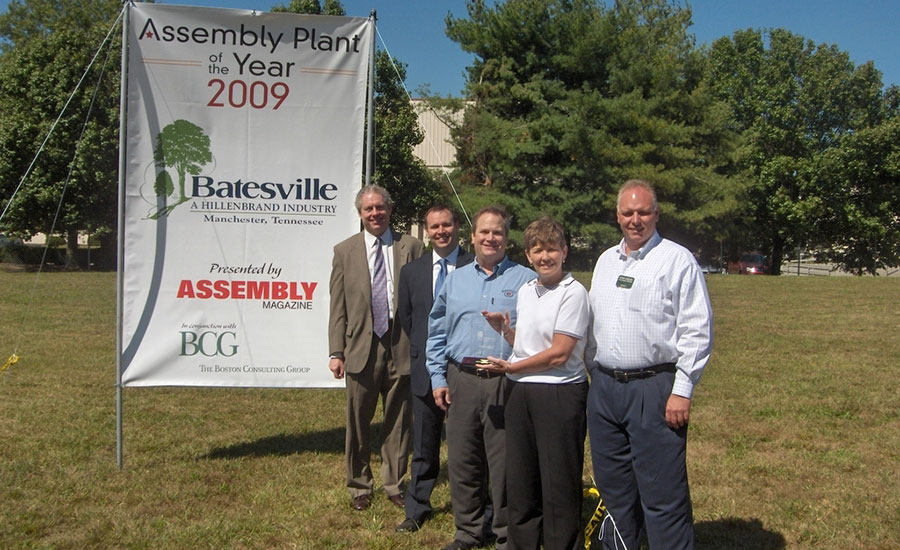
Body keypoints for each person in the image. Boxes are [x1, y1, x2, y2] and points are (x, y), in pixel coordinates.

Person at [586, 179, 713, 549]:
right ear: (618, 215)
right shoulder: (606, 261)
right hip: (605, 389)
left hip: (654, 389)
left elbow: (696, 328)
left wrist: (682, 390)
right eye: (628, 212)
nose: (635, 219)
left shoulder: (677, 260)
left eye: (643, 212)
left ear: (656, 214)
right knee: (614, 490)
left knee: (662, 492)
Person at [426, 205, 536, 550]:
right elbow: (436, 331)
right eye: (484, 232)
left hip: (504, 381)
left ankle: (505, 534)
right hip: (461, 378)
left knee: (504, 464)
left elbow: (536, 335)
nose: (491, 238)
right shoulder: (455, 279)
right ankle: (469, 531)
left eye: (498, 232)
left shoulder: (525, 281)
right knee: (462, 459)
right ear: (472, 237)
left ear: (507, 239)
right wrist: (437, 377)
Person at [481, 217, 590, 550]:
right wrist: (505, 331)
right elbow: (528, 346)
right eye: (537, 250)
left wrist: (512, 366)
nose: (545, 257)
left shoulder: (574, 294)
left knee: (558, 483)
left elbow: (558, 354)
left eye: (551, 249)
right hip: (520, 391)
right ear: (528, 255)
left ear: (565, 252)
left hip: (558, 393)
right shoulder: (528, 291)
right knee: (522, 480)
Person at [328, 185, 425, 511]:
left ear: (390, 209)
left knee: (399, 421)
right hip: (360, 348)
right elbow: (337, 307)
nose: (375, 214)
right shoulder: (345, 251)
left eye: (380, 208)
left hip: (402, 345)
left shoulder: (411, 246)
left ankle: (394, 483)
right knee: (357, 422)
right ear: (360, 213)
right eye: (368, 209)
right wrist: (336, 351)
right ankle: (359, 485)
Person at [394, 205, 474, 533]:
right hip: (426, 369)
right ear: (425, 231)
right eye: (434, 227)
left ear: (457, 227)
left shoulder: (475, 265)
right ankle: (417, 508)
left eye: (446, 225)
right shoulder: (412, 272)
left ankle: (472, 509)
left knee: (469, 447)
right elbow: (408, 318)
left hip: (467, 371)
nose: (441, 231)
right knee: (424, 445)